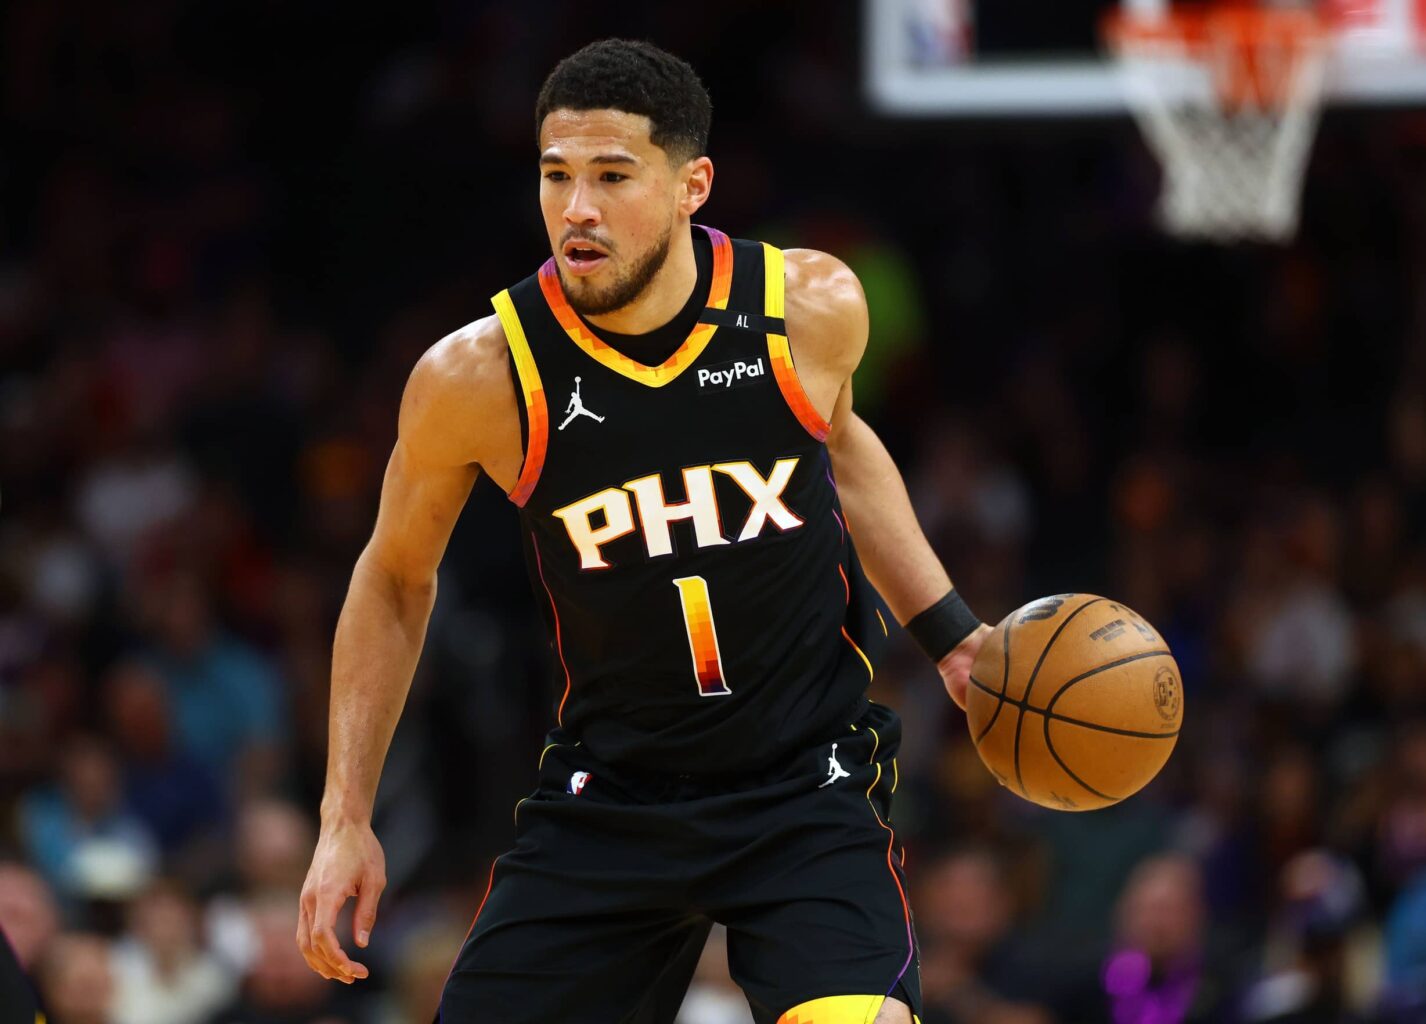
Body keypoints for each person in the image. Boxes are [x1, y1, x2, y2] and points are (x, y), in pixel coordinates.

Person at [294, 38, 990, 1024]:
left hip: (804, 785)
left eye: (612, 176)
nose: (577, 207)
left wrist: (953, 632)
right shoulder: (476, 378)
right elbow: (395, 578)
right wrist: (344, 815)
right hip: (613, 797)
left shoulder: (808, 307)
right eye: (556, 176)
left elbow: (840, 443)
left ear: (689, 185)